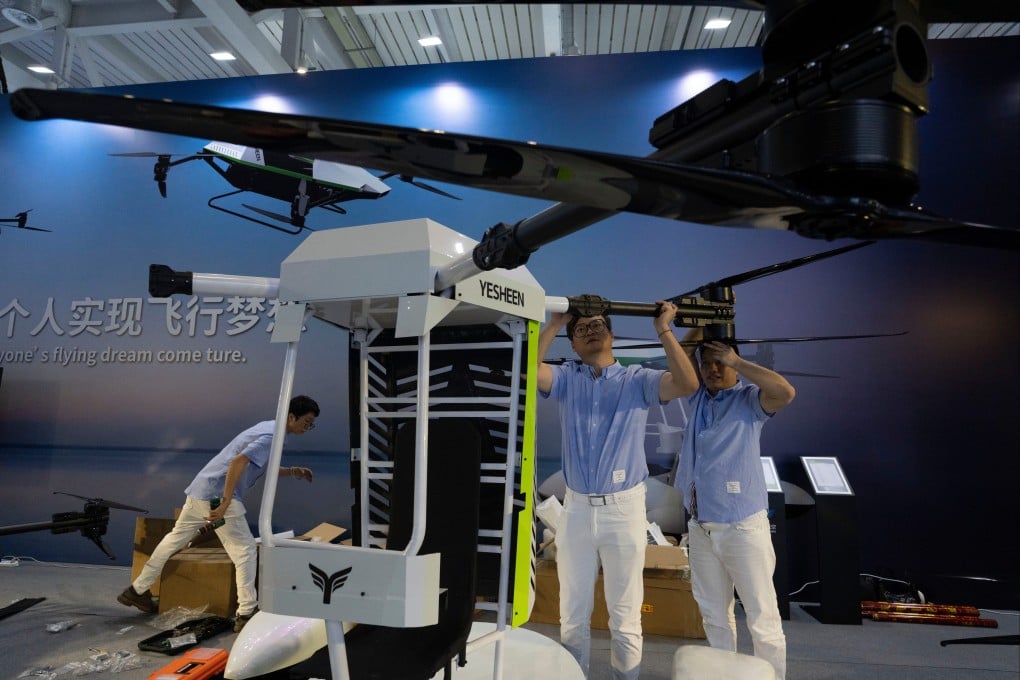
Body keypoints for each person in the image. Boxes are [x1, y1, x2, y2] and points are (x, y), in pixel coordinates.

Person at [537, 302, 700, 680]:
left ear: (610, 335)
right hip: (576, 511)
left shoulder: (638, 380)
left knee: (625, 615)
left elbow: (688, 384)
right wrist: (554, 323)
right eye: (580, 330)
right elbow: (527, 373)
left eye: (598, 325)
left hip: (623, 510)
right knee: (571, 613)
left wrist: (664, 330)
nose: (591, 330)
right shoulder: (566, 379)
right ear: (574, 346)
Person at [117, 395, 320, 633]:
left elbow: (259, 465)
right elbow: (237, 462)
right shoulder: (271, 436)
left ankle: (137, 590)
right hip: (217, 496)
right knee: (244, 551)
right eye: (306, 421)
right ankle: (246, 612)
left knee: (174, 539)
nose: (308, 427)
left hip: (200, 490)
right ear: (291, 417)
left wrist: (293, 471)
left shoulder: (267, 428)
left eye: (311, 423)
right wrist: (224, 503)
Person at [674, 328, 795, 679]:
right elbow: (676, 363)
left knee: (762, 617)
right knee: (714, 615)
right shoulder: (696, 398)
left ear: (736, 367)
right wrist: (697, 324)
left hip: (742, 527)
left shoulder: (749, 401)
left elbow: (785, 393)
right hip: (700, 528)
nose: (713, 369)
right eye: (707, 363)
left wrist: (735, 359)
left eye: (720, 363)